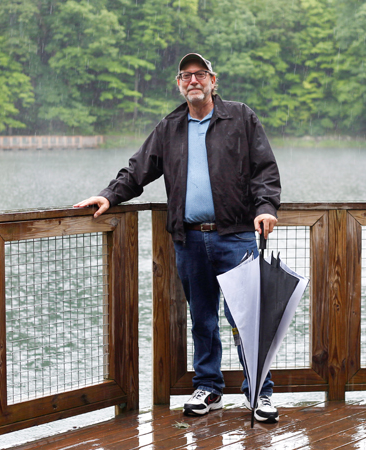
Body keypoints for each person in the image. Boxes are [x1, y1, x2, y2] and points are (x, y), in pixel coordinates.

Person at [74, 53, 282, 423]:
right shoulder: (170, 127)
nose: (193, 81)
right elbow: (138, 170)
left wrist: (266, 207)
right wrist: (109, 195)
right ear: (178, 84)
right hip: (189, 241)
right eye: (186, 76)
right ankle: (209, 388)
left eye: (200, 74)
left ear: (213, 81)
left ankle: (259, 393)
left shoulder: (240, 118)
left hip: (235, 237)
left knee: (246, 319)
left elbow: (264, 170)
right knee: (202, 319)